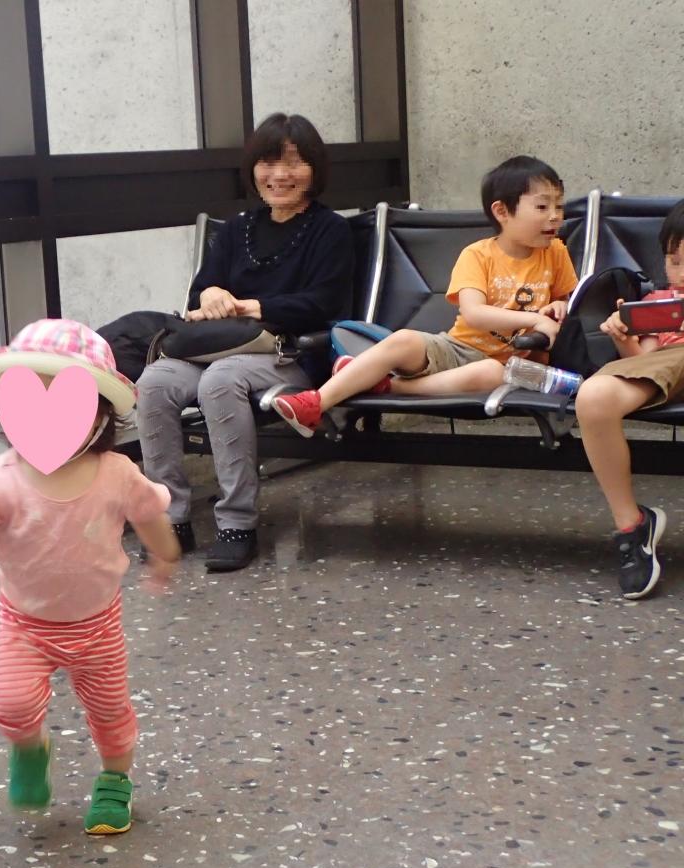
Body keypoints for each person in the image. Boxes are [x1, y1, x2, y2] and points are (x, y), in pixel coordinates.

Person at [0, 319, 179, 836]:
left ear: (99, 415)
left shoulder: (116, 474)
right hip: (25, 623)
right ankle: (30, 749)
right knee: (12, 705)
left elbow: (149, 516)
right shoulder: (0, 481)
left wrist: (165, 553)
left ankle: (114, 780)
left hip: (97, 624)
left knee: (110, 711)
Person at [131, 112, 354, 573]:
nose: (279, 175)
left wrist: (252, 306)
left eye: (293, 163)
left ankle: (237, 523)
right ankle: (170, 518)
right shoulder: (236, 229)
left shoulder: (330, 229)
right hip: (219, 347)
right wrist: (211, 294)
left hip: (290, 351)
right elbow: (200, 294)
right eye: (268, 163)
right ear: (253, 169)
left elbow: (325, 302)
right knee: (154, 381)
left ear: (314, 169)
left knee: (220, 380)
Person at [274, 155, 579, 437]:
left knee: (491, 371)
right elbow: (474, 313)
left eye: (559, 206)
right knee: (404, 339)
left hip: (510, 368)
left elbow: (564, 304)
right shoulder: (478, 255)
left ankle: (388, 386)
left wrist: (558, 305)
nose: (555, 216)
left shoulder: (555, 253)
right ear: (502, 212)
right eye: (542, 207)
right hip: (457, 348)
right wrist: (533, 319)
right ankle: (315, 402)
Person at [574, 198, 684, 599]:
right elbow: (647, 363)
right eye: (674, 261)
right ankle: (632, 527)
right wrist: (625, 338)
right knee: (594, 395)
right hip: (670, 366)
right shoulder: (659, 305)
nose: (681, 274)